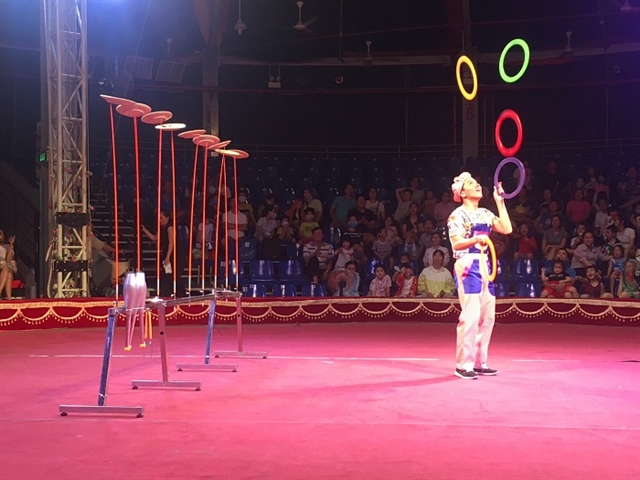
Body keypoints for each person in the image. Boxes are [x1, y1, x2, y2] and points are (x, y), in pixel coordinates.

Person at [447, 172, 513, 380]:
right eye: (471, 183)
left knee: (488, 315)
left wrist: (499, 202)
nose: (477, 185)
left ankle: (479, 362)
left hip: (485, 263)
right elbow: (457, 243)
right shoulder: (457, 215)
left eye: (477, 183)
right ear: (462, 193)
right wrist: (476, 240)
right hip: (468, 263)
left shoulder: (485, 213)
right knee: (471, 314)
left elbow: (507, 228)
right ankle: (462, 364)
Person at [142, 211, 186, 297]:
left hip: (176, 255)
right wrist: (144, 230)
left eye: (161, 218)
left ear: (167, 218)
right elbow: (155, 238)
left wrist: (167, 257)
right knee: (167, 276)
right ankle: (167, 295)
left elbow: (171, 242)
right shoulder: (161, 228)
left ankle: (180, 295)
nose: (159, 220)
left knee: (174, 276)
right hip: (168, 255)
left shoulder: (170, 227)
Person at [0, 230, 17, 300]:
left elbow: (8, 261)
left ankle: (8, 298)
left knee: (7, 270)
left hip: (5, 266)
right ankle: (9, 298)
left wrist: (11, 246)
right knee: (8, 273)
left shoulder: (6, 246)